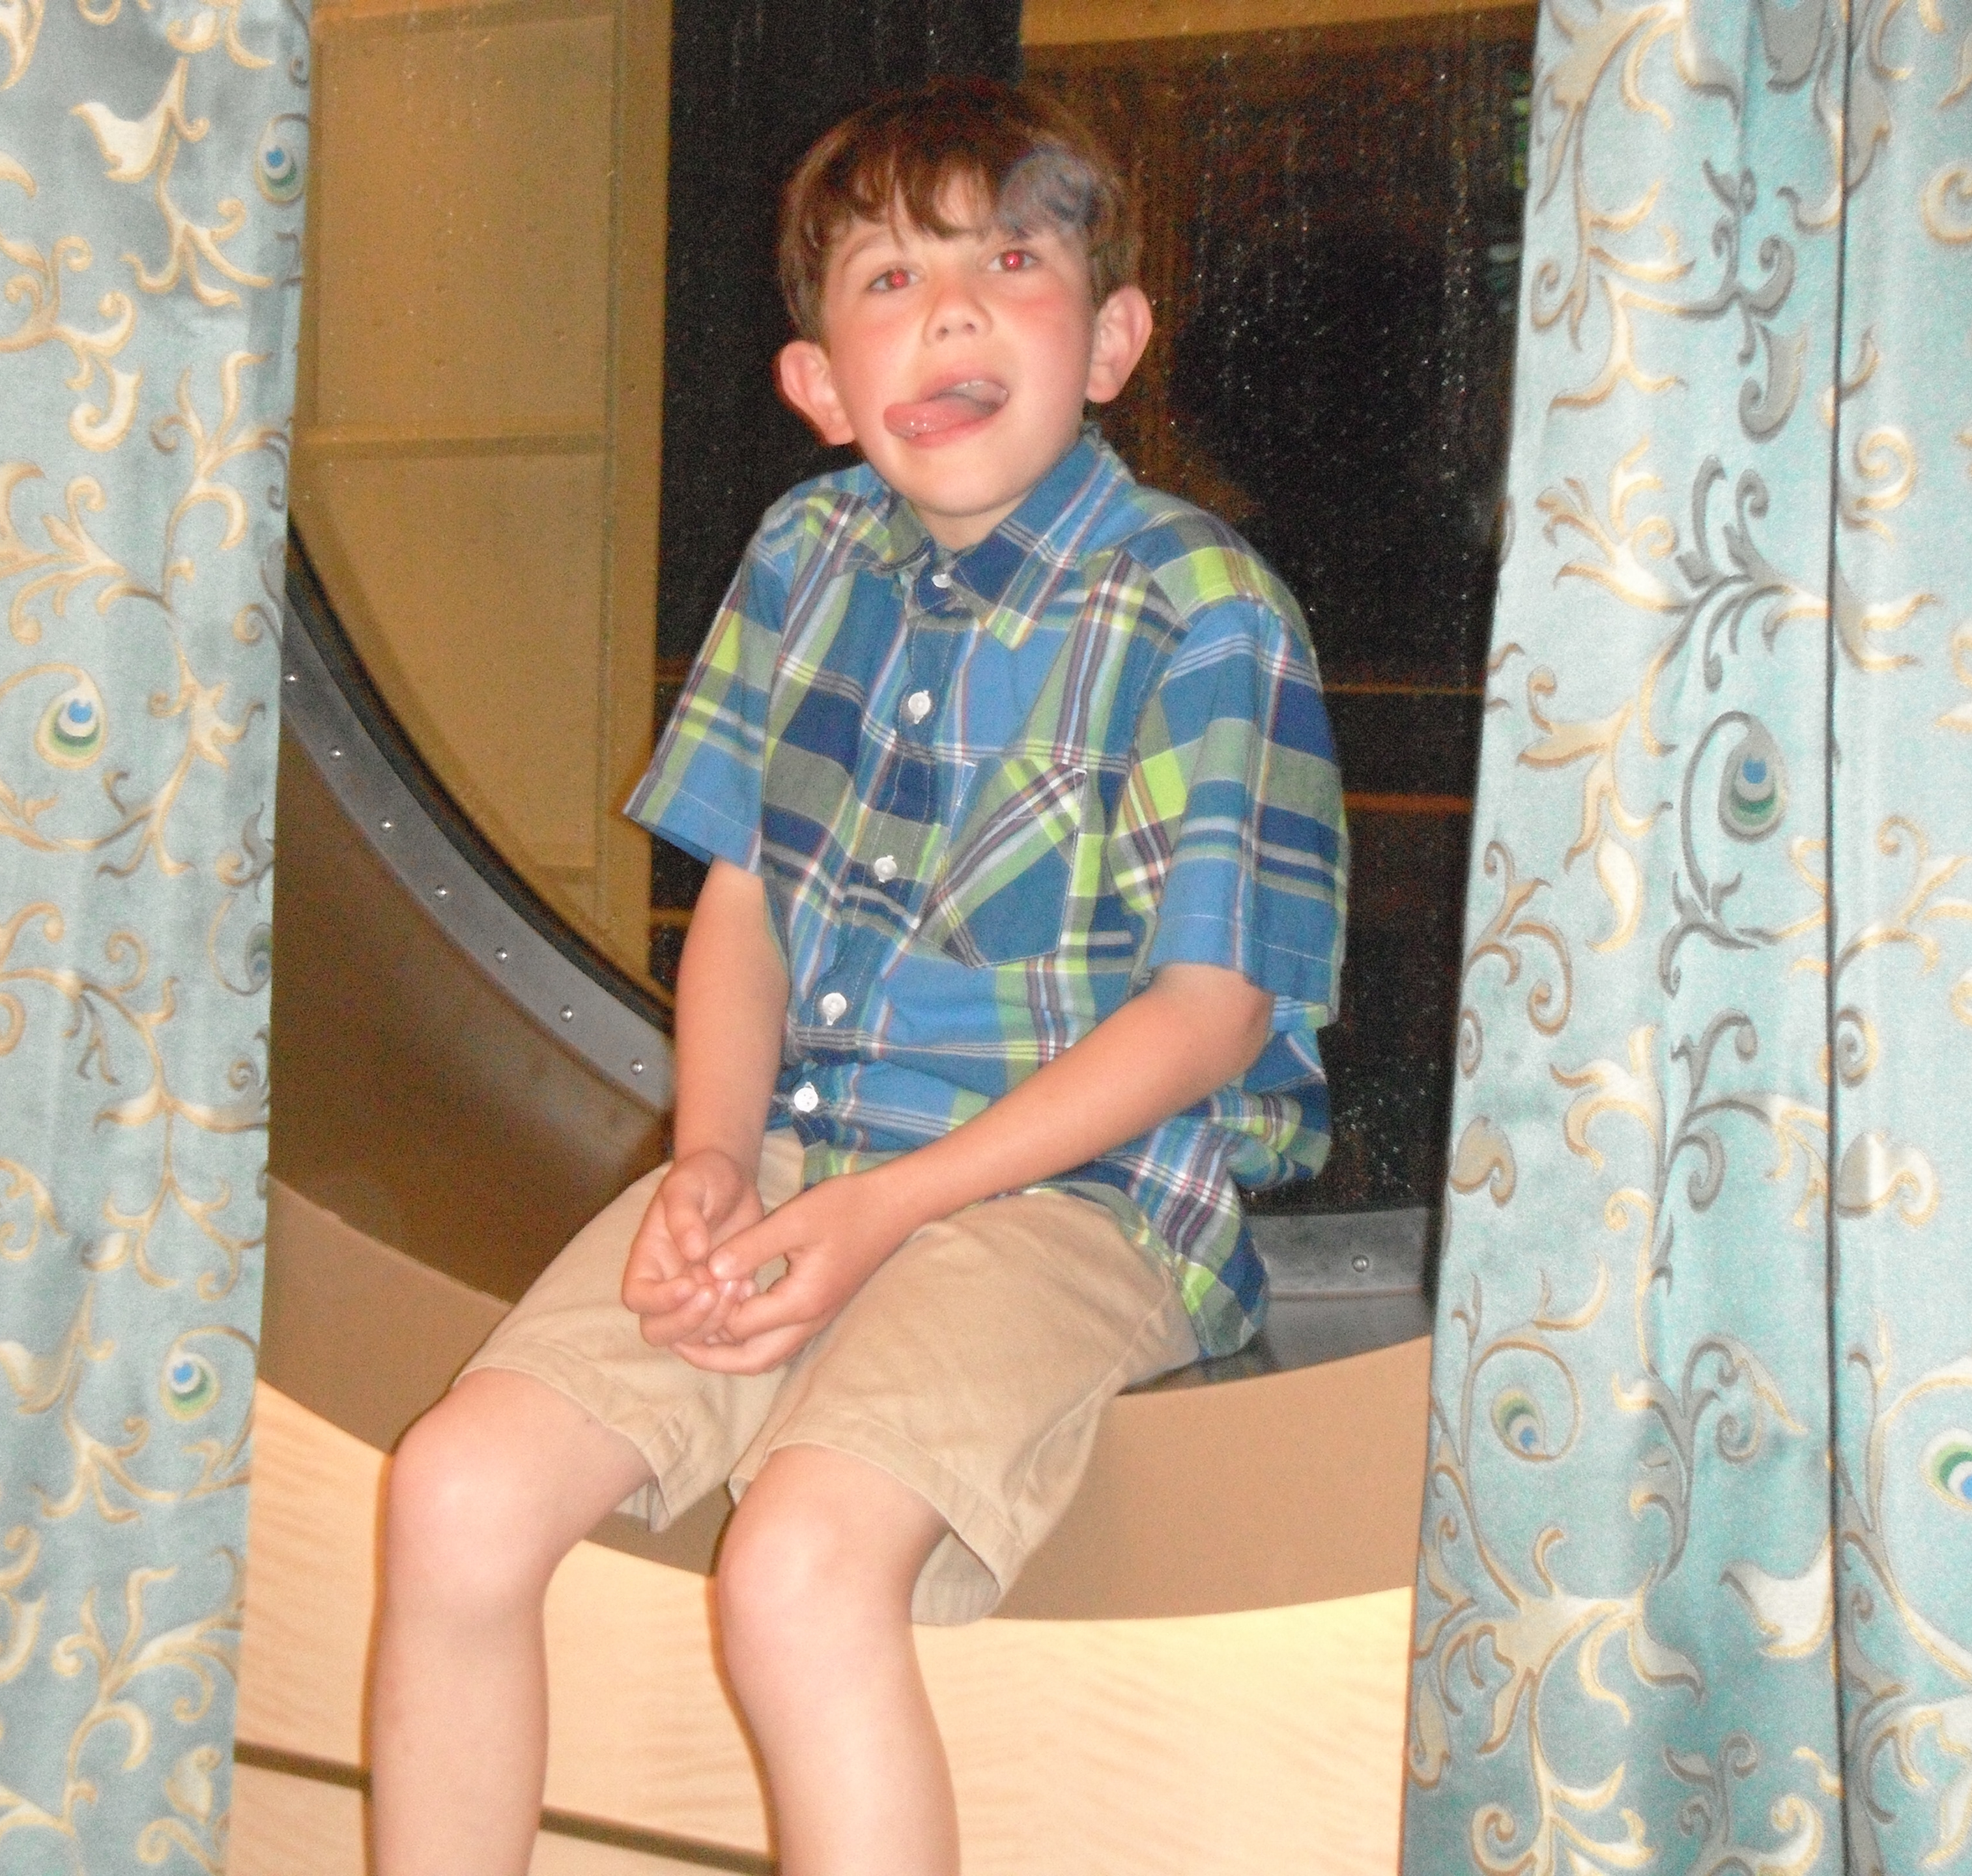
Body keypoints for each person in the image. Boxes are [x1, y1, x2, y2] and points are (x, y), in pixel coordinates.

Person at [365, 76, 1347, 1876]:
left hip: (1073, 1200)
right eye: (892, 279)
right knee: (453, 1492)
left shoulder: (1203, 608)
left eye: (1011, 263)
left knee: (802, 1570)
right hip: (801, 1157)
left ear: (1111, 339)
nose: (952, 312)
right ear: (821, 384)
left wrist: (886, 1207)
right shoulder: (805, 557)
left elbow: (1212, 1016)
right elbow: (745, 907)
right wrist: (713, 1160)